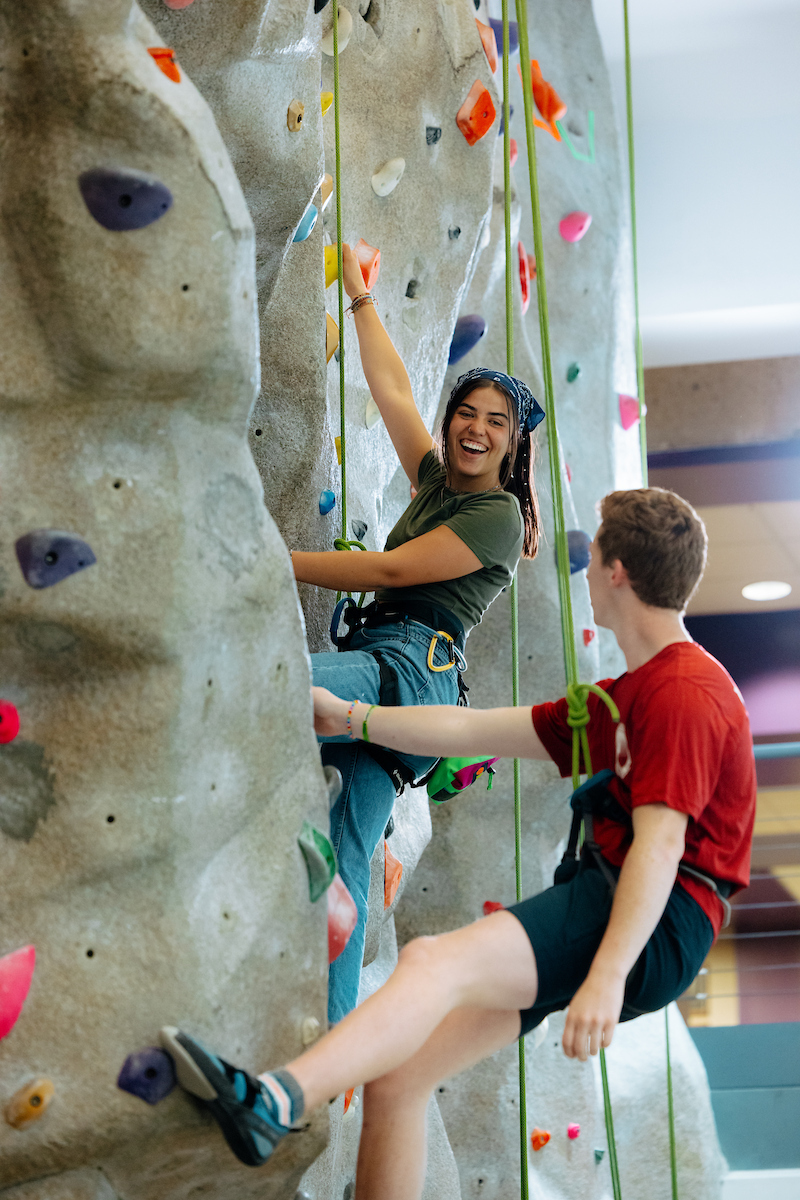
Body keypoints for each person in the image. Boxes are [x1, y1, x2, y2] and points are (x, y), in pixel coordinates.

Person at [159, 487, 756, 1196]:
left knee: (431, 961)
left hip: (647, 915)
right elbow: (474, 731)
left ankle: (277, 1101)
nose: (588, 571)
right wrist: (352, 717)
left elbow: (661, 845)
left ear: (618, 570)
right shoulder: (627, 697)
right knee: (403, 1077)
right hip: (627, 909)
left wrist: (605, 975)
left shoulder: (686, 692)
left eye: (593, 557)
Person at [295, 243, 543, 1022]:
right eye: (466, 413)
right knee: (345, 862)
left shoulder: (499, 515)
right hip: (386, 671)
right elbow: (393, 390)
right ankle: (334, 1045)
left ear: (513, 445)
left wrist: (273, 561)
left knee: (269, 685)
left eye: (494, 423)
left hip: (406, 669)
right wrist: (363, 298)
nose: (474, 428)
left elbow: (396, 573)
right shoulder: (438, 480)